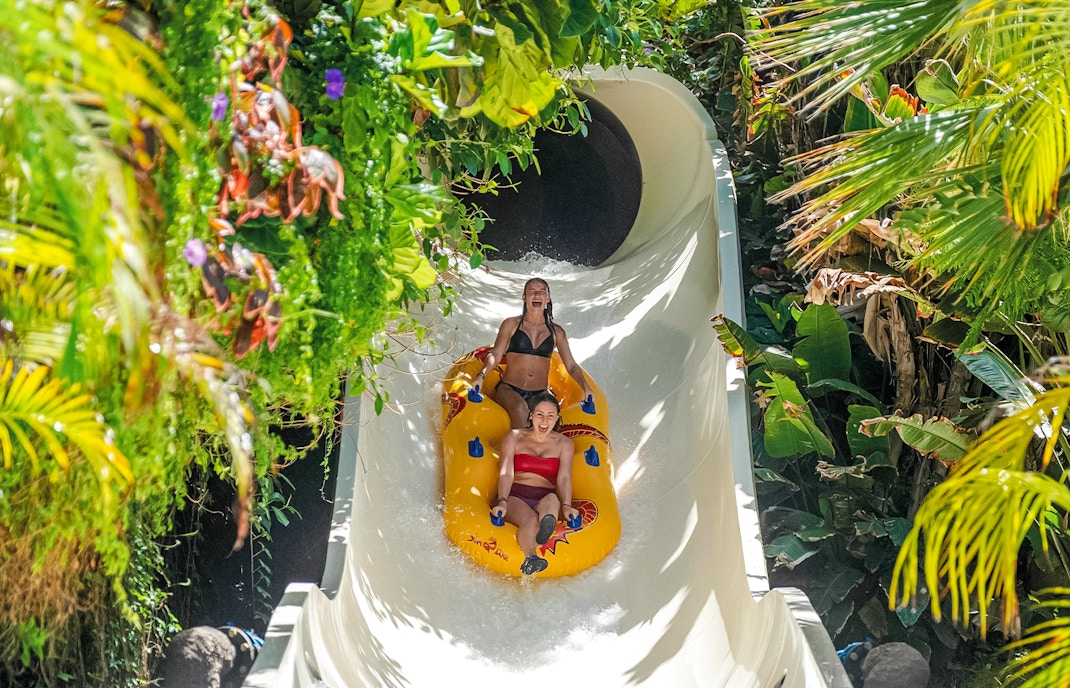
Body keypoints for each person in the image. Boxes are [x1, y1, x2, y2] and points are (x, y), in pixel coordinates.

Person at [474, 277, 593, 429]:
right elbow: (496, 355)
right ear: (524, 297)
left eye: (541, 292)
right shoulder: (511, 324)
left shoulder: (557, 332)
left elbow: (571, 366)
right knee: (519, 408)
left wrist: (586, 387)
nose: (536, 295)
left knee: (552, 418)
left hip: (540, 392)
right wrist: (481, 376)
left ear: (548, 298)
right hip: (509, 389)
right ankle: (519, 449)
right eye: (532, 292)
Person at [491, 392, 580, 575]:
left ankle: (547, 524)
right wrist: (502, 500)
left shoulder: (565, 444)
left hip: (545, 495)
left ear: (557, 418)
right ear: (531, 415)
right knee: (530, 519)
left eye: (550, 416)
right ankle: (531, 557)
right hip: (517, 495)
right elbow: (506, 472)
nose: (544, 421)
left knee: (553, 501)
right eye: (540, 414)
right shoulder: (514, 437)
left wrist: (567, 506)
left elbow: (564, 477)